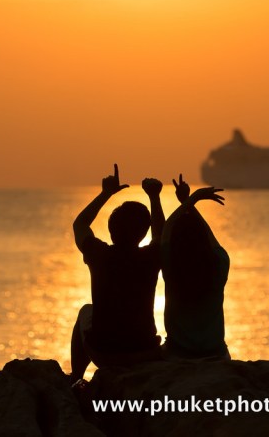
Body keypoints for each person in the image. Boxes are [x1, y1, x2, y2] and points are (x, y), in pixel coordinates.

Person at [69, 164, 165, 383]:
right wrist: (154, 197)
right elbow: (162, 235)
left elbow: (80, 224)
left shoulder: (99, 254)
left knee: (85, 311)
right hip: (146, 353)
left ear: (111, 230)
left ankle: (76, 377)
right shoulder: (151, 257)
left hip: (106, 355)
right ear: (143, 232)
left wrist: (105, 193)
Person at [160, 174, 230, 360]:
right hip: (216, 354)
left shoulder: (170, 266)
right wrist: (190, 200)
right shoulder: (220, 264)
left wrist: (191, 200)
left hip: (178, 355)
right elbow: (210, 238)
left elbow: (167, 228)